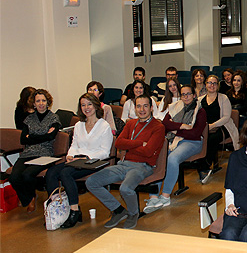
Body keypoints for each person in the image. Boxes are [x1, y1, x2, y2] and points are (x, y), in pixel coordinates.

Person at [86, 94, 165, 229]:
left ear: (151, 108)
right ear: (134, 108)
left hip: (142, 166)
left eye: (145, 106)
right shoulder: (131, 124)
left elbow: (148, 152)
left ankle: (133, 214)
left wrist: (129, 146)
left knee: (125, 188)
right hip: (123, 164)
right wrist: (140, 143)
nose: (142, 109)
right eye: (138, 106)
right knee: (91, 182)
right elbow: (119, 143)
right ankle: (118, 210)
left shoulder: (158, 127)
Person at [45, 93, 113, 228]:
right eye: (83, 105)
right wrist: (70, 155)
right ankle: (59, 209)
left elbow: (104, 152)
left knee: (65, 173)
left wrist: (86, 157)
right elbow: (74, 145)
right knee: (51, 172)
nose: (86, 108)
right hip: (76, 160)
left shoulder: (104, 126)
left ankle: (74, 211)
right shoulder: (78, 125)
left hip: (93, 162)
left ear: (95, 105)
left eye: (89, 104)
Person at [143, 85, 207, 213]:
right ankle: (154, 196)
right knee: (159, 157)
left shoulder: (200, 111)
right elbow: (165, 124)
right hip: (174, 140)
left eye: (188, 94)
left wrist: (175, 130)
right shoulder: (174, 107)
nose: (186, 97)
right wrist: (182, 126)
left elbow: (195, 133)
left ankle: (165, 196)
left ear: (194, 95)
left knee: (172, 159)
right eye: (183, 94)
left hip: (193, 142)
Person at [9, 89, 61, 213]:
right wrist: (42, 136)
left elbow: (50, 137)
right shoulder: (29, 119)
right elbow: (23, 139)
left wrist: (31, 137)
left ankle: (30, 199)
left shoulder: (53, 118)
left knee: (27, 175)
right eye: (38, 101)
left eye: (44, 100)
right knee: (14, 176)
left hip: (45, 153)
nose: (41, 103)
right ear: (34, 103)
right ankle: (28, 197)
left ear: (48, 102)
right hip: (28, 153)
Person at [199, 74, 240, 181]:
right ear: (206, 84)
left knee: (212, 138)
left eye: (214, 83)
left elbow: (226, 117)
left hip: (223, 127)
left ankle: (205, 167)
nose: (212, 85)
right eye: (209, 83)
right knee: (198, 138)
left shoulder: (223, 98)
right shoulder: (200, 100)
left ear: (217, 86)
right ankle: (199, 163)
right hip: (205, 128)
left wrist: (212, 125)